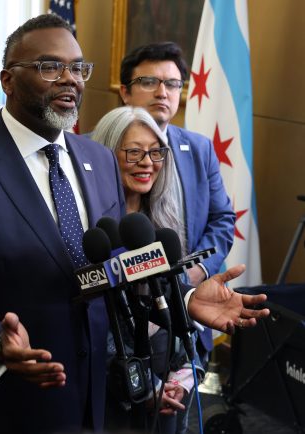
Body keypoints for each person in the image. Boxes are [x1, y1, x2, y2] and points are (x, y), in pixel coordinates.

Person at [0, 14, 268, 434]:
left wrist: (183, 297)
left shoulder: (97, 160)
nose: (70, 79)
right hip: (11, 403)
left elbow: (117, 271)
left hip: (97, 397)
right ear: (8, 81)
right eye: (50, 67)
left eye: (78, 68)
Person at [119, 41, 236, 431]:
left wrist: (193, 277)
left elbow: (222, 221)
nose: (162, 92)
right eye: (149, 81)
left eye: (172, 83)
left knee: (173, 425)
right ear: (124, 91)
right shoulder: (101, 152)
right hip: (125, 327)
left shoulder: (199, 148)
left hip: (187, 317)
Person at [92, 106, 203, 433]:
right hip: (117, 387)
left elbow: (179, 318)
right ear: (106, 156)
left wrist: (180, 378)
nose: (147, 162)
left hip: (169, 379)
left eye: (156, 152)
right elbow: (98, 326)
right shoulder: (95, 233)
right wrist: (145, 386)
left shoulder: (165, 223)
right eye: (134, 152)